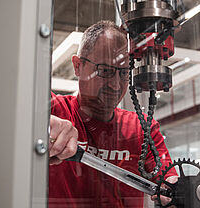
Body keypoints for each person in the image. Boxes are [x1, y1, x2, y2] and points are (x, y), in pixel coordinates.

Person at [48, 20, 177, 208]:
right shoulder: (54, 110)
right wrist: (42, 125)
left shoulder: (142, 130)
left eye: (124, 73)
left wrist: (175, 189)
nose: (116, 85)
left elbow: (168, 179)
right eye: (105, 71)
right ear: (78, 66)